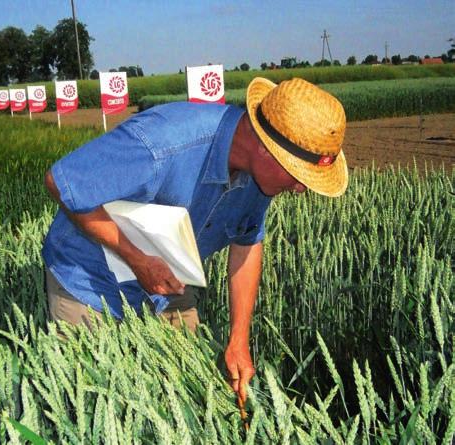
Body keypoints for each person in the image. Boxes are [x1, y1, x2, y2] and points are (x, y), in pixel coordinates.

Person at [42, 76, 348, 403]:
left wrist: (238, 341)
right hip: (90, 282)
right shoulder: (161, 143)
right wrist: (136, 259)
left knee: (184, 398)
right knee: (96, 404)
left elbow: (247, 242)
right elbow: (62, 183)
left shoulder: (263, 178)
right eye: (298, 175)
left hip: (169, 281)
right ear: (266, 150)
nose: (300, 189)